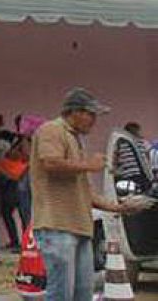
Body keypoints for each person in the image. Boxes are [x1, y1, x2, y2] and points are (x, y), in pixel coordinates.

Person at [32, 88, 142, 301]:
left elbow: (85, 191)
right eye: (91, 115)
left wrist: (118, 207)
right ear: (75, 112)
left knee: (83, 292)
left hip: (80, 226)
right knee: (60, 292)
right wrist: (90, 165)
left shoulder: (77, 140)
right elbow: (50, 162)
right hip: (57, 224)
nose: (94, 121)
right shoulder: (52, 130)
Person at [0, 114, 30, 252]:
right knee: (6, 212)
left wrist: (24, 137)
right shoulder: (12, 138)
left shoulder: (29, 141)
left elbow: (23, 155)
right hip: (6, 180)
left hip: (19, 180)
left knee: (24, 213)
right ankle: (15, 241)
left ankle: (25, 244)